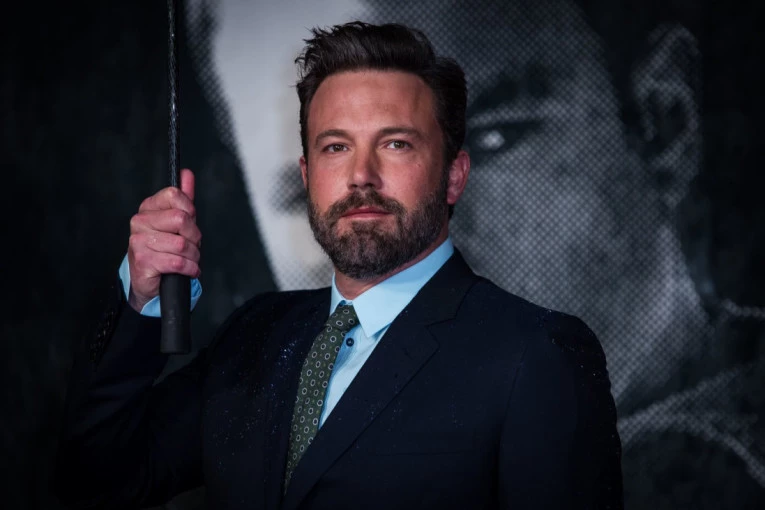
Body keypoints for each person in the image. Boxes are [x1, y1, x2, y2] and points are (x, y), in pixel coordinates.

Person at [55, 22, 622, 509]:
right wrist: (142, 298)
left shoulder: (538, 355)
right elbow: (98, 477)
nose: (361, 177)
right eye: (335, 147)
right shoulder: (254, 335)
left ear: (453, 175)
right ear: (307, 176)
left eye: (396, 144)